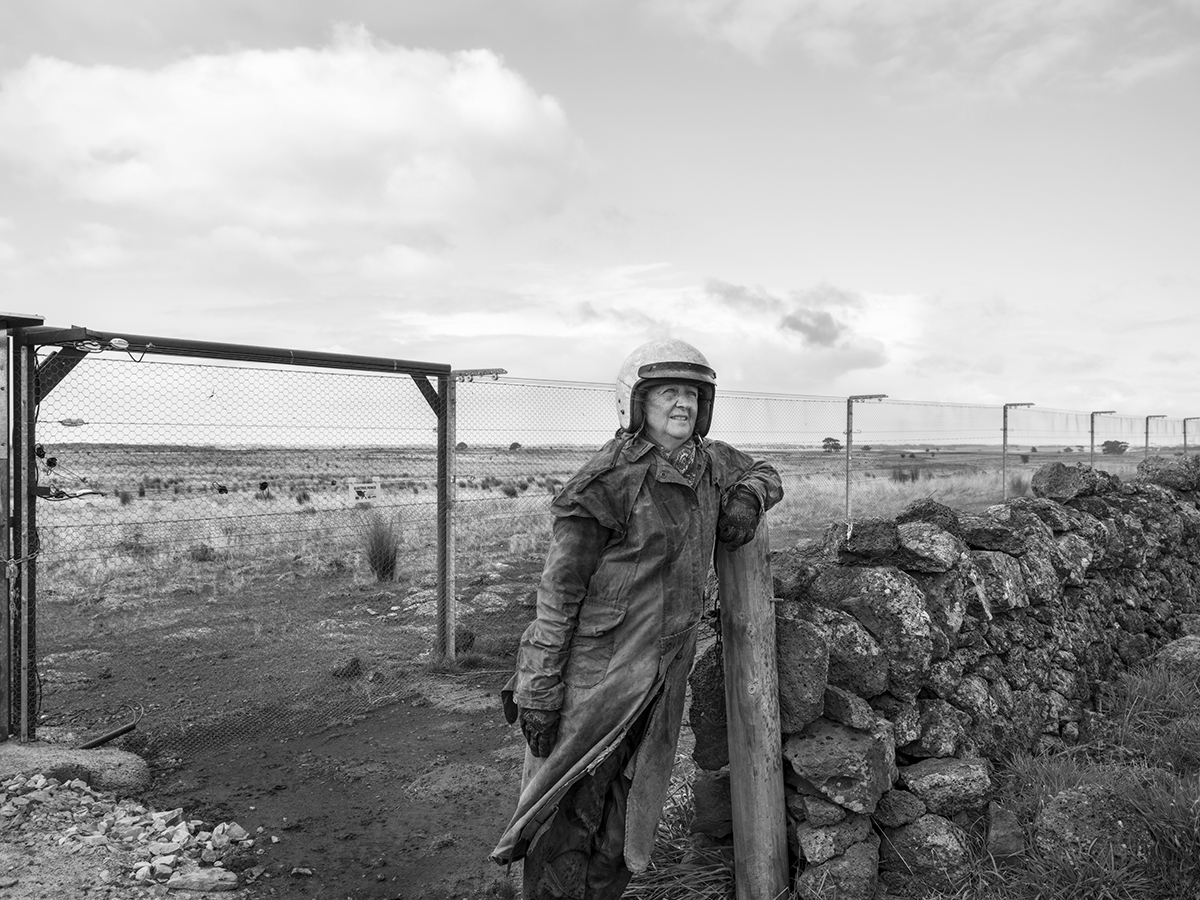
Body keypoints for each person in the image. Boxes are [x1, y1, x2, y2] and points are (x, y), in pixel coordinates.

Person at [491, 338, 784, 899]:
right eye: (668, 392)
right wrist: (540, 687)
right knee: (568, 814)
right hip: (598, 676)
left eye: (693, 393)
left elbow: (766, 470)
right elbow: (557, 593)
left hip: (663, 675)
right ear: (636, 402)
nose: (683, 404)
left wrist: (747, 497)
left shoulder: (712, 462)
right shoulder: (605, 482)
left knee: (627, 820)